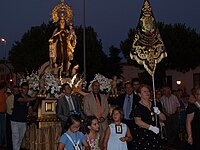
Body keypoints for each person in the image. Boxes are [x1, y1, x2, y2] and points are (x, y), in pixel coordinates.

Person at [132, 84, 166, 150]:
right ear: (139, 94)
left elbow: (164, 118)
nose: (147, 93)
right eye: (144, 91)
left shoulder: (155, 103)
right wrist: (150, 127)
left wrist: (159, 112)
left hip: (155, 133)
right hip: (144, 134)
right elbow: (138, 121)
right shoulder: (138, 106)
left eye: (148, 91)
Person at [10, 82, 36, 150]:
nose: (26, 90)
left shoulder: (29, 97)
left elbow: (30, 108)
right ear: (21, 89)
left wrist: (32, 113)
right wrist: (35, 98)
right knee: (16, 137)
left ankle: (17, 148)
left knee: (21, 137)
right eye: (24, 89)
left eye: (27, 89)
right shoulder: (17, 96)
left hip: (23, 120)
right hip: (15, 120)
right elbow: (23, 100)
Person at [83, 80, 109, 145]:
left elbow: (107, 109)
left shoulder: (104, 97)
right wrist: (94, 118)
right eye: (95, 85)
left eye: (98, 86)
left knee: (104, 140)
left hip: (103, 122)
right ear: (92, 87)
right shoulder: (87, 97)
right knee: (94, 141)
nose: (97, 87)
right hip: (93, 123)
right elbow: (86, 109)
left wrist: (103, 117)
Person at [0, 81, 7, 148]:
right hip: (0, 114)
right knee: (1, 129)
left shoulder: (4, 94)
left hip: (3, 113)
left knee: (2, 129)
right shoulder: (1, 94)